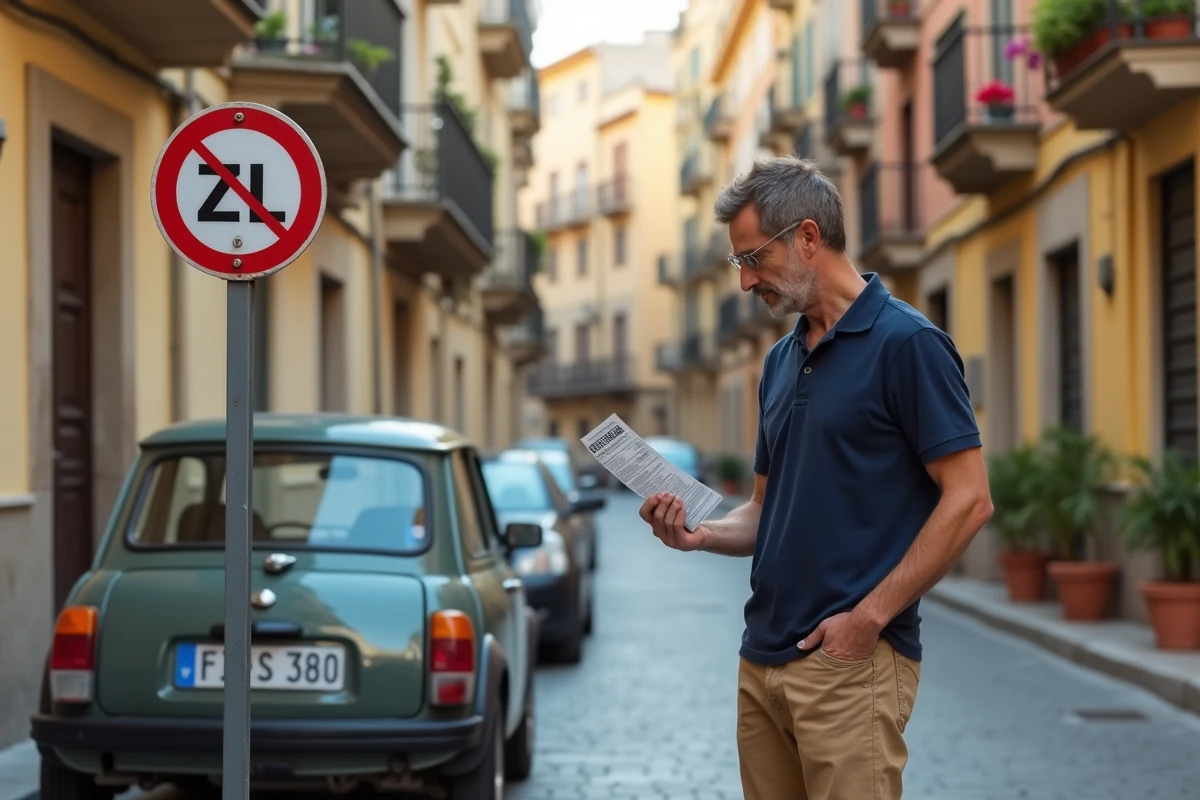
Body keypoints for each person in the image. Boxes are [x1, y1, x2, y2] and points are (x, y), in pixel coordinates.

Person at [639, 156, 993, 800]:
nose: (745, 282)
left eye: (754, 259)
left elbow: (969, 500)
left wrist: (868, 619)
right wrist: (698, 534)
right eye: (738, 263)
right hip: (761, 658)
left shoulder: (907, 344)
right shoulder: (778, 362)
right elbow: (763, 511)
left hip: (849, 664)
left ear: (807, 237)